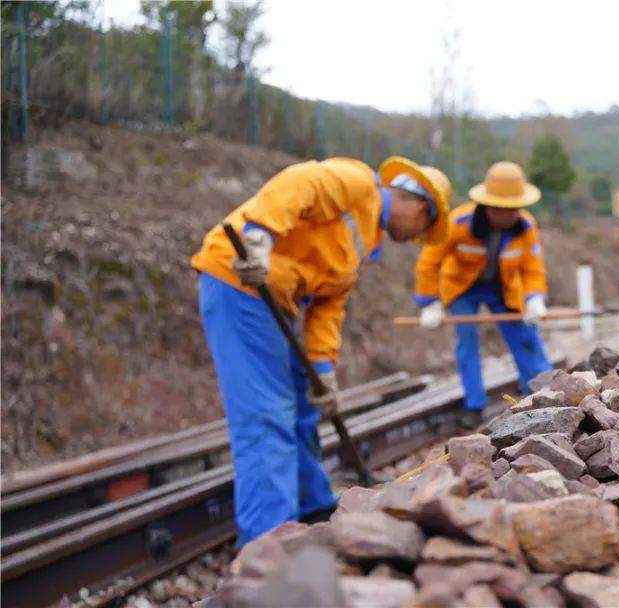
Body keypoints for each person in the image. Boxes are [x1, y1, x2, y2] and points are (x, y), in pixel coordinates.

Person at [191, 156, 450, 546]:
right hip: (238, 281)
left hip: (277, 301)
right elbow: (301, 183)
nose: (416, 238)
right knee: (267, 414)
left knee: (303, 407)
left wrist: (322, 367)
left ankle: (312, 506)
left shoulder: (366, 241)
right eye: (422, 230)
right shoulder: (359, 183)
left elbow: (329, 305)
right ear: (420, 206)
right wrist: (260, 234)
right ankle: (268, 543)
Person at [413, 161, 553, 418]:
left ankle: (543, 393)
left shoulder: (526, 227)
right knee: (466, 340)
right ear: (487, 204)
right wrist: (429, 302)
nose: (507, 215)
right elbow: (429, 261)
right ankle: (474, 405)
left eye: (513, 209)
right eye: (500, 209)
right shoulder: (459, 222)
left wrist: (534, 298)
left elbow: (533, 268)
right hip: (462, 287)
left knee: (525, 333)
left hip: (503, 286)